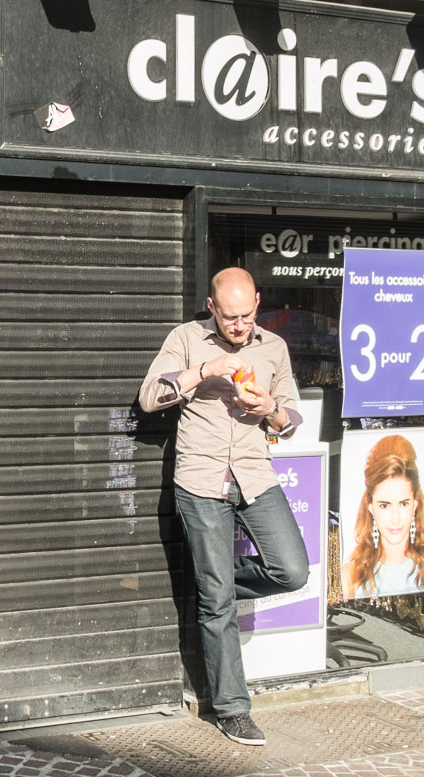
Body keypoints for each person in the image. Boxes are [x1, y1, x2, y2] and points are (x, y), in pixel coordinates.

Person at [138, 266, 308, 747]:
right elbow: (149, 398)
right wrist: (202, 372)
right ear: (213, 308)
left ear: (258, 300)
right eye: (229, 316)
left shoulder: (273, 347)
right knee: (216, 604)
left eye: (247, 313)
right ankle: (232, 710)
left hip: (255, 476)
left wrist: (269, 411)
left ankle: (213, 578)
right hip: (201, 481)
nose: (238, 324)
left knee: (292, 571)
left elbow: (290, 415)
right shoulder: (187, 337)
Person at [344, 435, 424, 598]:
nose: (395, 519)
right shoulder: (350, 574)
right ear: (371, 507)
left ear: (415, 505)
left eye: (403, 504)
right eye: (384, 505)